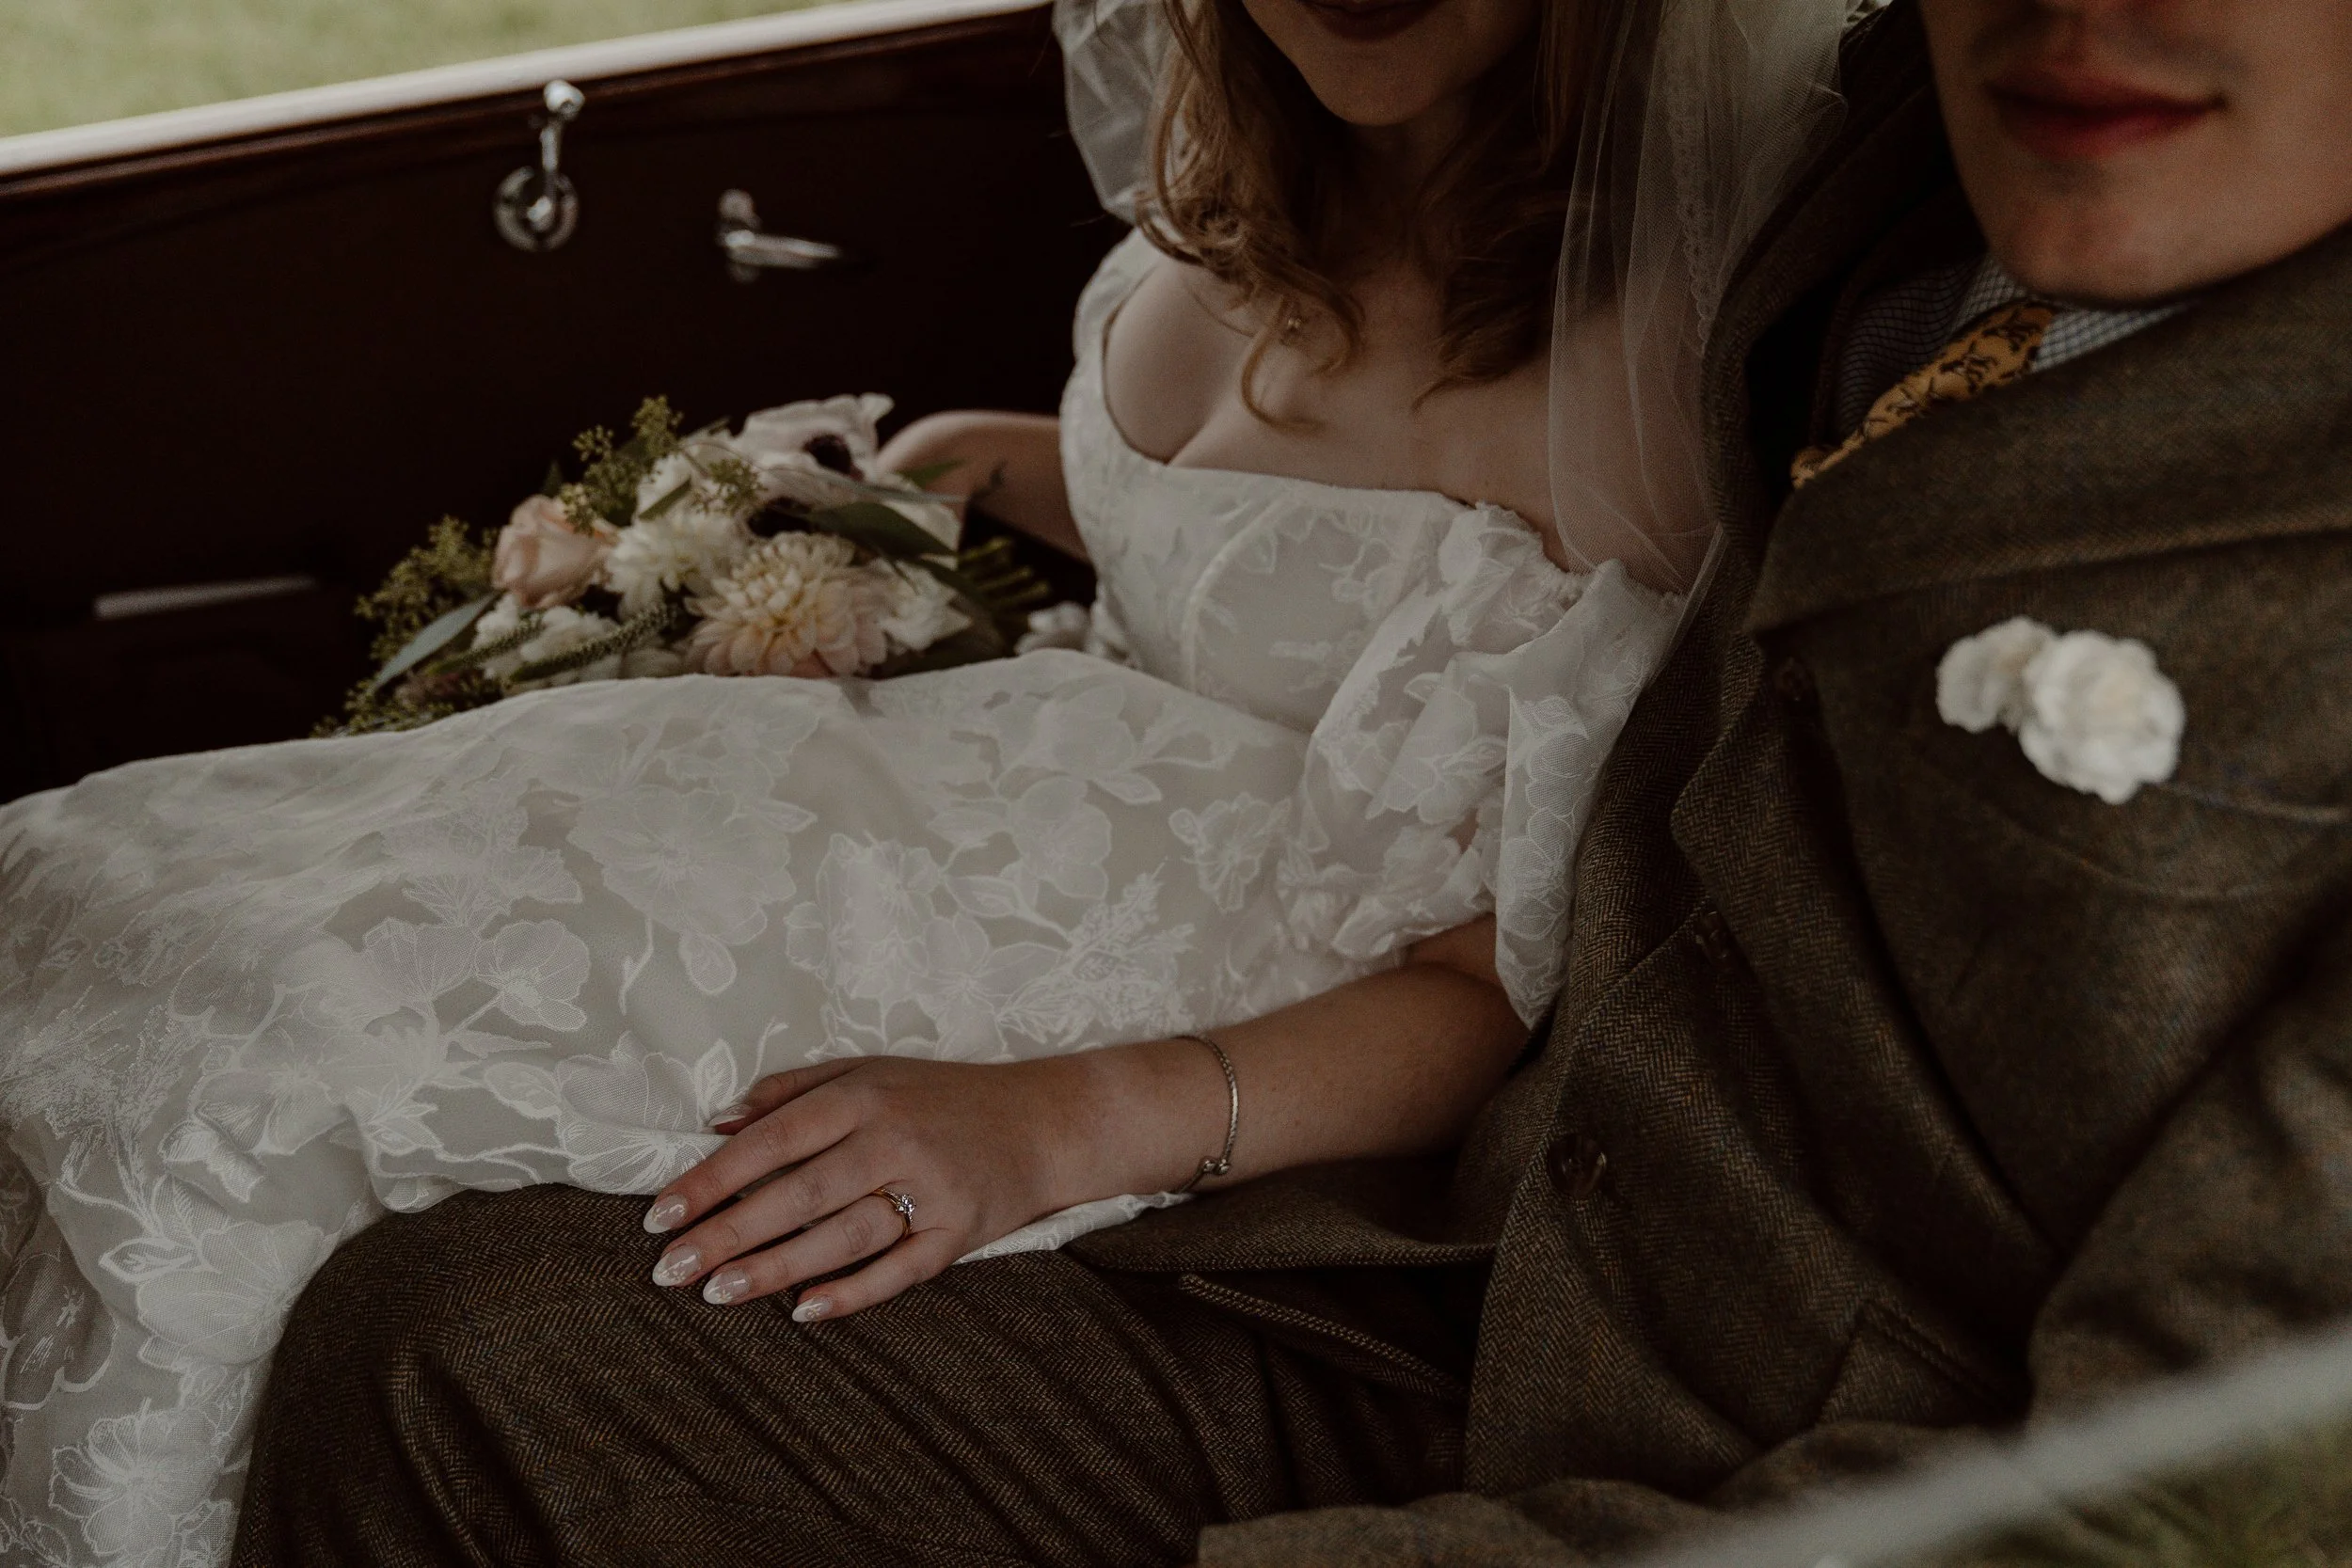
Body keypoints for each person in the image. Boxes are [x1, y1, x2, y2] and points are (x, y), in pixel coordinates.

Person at [219, 0, 2352, 1562]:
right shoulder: (1886, 158)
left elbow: (2169, 1512)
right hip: (1445, 1250)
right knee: (441, 1342)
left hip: (1722, 1459)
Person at [0, 0, 1846, 1560]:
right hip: (982, 808)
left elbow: (1491, 979)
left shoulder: (1636, 385)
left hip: (1149, 996)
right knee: (151, 904)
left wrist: (1045, 1121)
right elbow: (1283, 561)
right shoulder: (1239, 204)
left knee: (281, 1043)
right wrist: (985, 466)